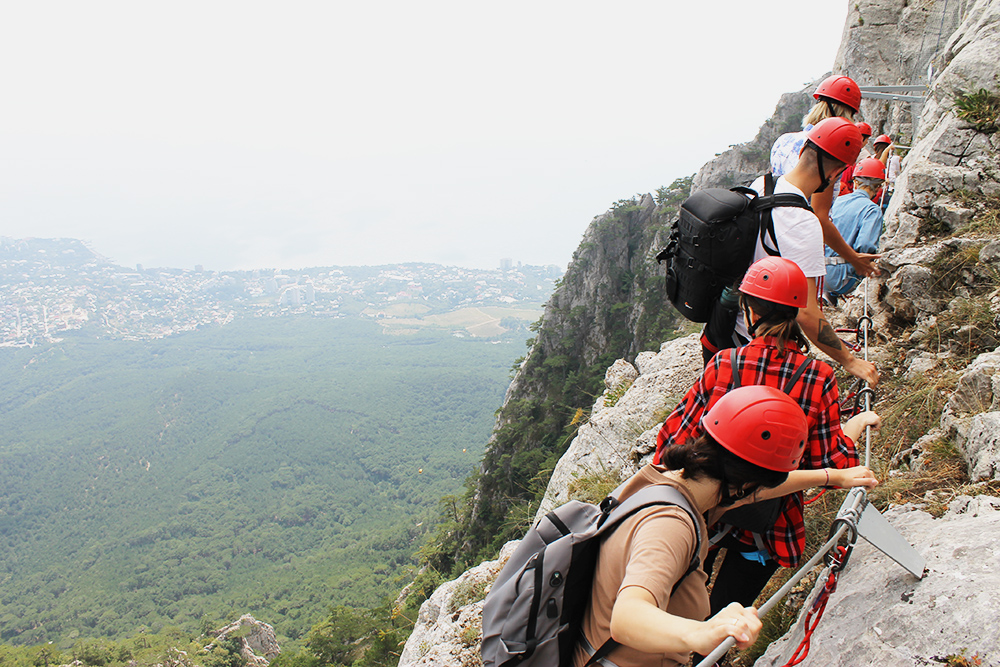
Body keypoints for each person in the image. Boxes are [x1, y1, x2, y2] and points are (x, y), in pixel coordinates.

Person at [655, 256, 880, 619]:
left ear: (748, 310)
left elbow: (671, 442)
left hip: (706, 512)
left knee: (678, 612)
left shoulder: (724, 364)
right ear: (796, 313)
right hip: (769, 525)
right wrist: (854, 426)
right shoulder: (817, 377)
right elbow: (836, 464)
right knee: (725, 619)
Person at [574, 386, 809, 667]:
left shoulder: (669, 483)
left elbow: (756, 492)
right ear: (746, 484)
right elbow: (627, 618)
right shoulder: (672, 525)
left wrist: (834, 477)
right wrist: (702, 632)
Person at [705, 117, 879, 386]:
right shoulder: (802, 221)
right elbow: (807, 313)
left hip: (726, 324)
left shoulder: (761, 186)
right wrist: (850, 361)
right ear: (835, 175)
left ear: (802, 151)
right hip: (758, 345)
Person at [770, 75, 880, 281]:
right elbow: (819, 217)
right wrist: (854, 258)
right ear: (846, 114)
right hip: (800, 247)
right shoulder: (827, 153)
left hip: (770, 238)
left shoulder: (783, 141)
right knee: (804, 309)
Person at [826, 157, 886, 300]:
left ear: (855, 182)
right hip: (841, 279)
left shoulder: (838, 201)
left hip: (818, 274)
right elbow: (865, 246)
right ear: (878, 188)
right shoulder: (872, 210)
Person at [836, 121, 874, 197]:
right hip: (848, 190)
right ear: (862, 138)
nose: (866, 142)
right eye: (867, 139)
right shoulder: (864, 154)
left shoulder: (842, 148)